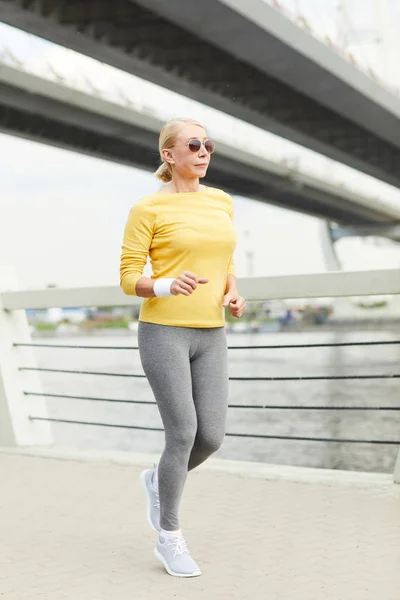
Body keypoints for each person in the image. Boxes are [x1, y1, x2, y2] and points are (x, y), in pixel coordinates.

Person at [120, 117, 246, 578]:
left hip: (211, 333)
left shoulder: (222, 202)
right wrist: (168, 285)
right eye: (194, 144)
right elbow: (128, 278)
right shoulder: (147, 210)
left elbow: (226, 260)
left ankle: (157, 481)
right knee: (183, 433)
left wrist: (233, 291)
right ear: (169, 155)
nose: (204, 151)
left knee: (210, 436)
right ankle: (169, 537)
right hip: (164, 332)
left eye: (209, 144)